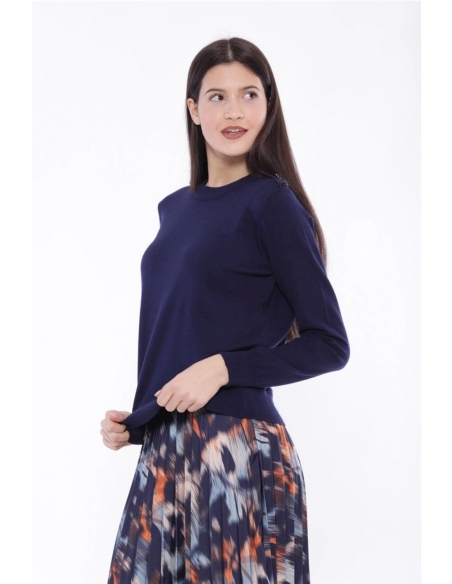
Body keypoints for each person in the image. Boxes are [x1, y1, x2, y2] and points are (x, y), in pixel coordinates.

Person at [100, 36, 350, 584]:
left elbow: (330, 344)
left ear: (268, 106)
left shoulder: (272, 203)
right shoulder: (175, 210)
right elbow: (178, 327)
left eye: (249, 95)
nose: (234, 111)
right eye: (217, 97)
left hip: (236, 454)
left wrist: (223, 368)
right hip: (166, 451)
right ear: (193, 109)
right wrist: (140, 419)